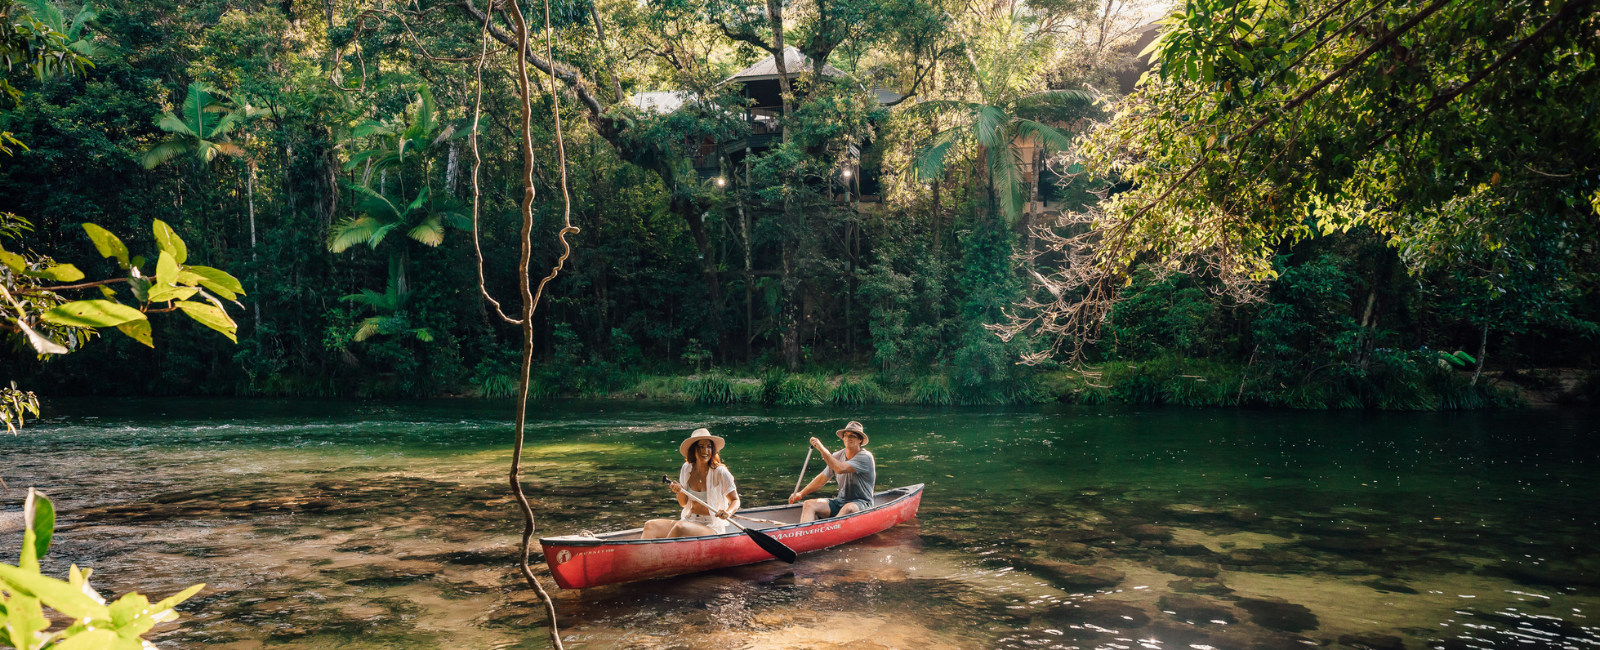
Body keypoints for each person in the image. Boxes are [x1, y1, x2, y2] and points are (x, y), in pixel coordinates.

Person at [641, 428, 741, 538]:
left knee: (680, 527)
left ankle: (663, 553)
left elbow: (735, 500)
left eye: (709, 446)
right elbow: (683, 503)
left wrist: (728, 512)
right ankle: (646, 554)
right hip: (689, 520)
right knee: (650, 525)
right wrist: (679, 491)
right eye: (701, 447)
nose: (706, 451)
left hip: (711, 526)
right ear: (693, 449)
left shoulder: (721, 472)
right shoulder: (686, 468)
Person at [788, 420, 876, 523]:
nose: (848, 438)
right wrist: (801, 494)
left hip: (862, 504)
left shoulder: (865, 457)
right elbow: (822, 478)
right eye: (846, 435)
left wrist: (821, 449)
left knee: (849, 508)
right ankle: (805, 534)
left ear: (860, 440)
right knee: (808, 504)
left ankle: (828, 530)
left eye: (852, 436)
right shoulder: (837, 456)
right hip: (840, 502)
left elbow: (840, 469)